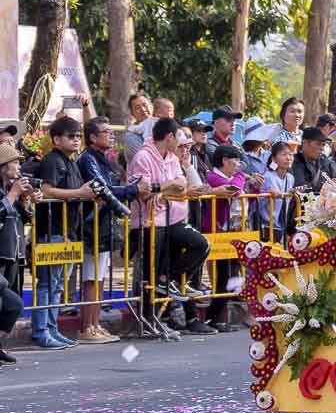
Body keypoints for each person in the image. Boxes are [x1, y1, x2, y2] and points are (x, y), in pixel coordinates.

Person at [127, 118, 215, 336]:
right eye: (179, 138)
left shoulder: (172, 159)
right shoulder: (143, 157)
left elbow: (182, 185)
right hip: (148, 223)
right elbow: (142, 190)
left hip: (172, 219)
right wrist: (167, 187)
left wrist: (162, 191)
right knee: (150, 274)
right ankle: (148, 321)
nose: (181, 144)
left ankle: (170, 280)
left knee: (200, 245)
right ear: (169, 137)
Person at [76, 117, 149, 343]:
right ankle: (87, 326)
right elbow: (103, 189)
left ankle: (96, 324)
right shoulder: (87, 159)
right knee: (90, 278)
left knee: (98, 278)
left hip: (105, 224)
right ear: (93, 137)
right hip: (91, 226)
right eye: (106, 132)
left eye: (111, 131)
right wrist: (131, 189)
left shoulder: (104, 159)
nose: (111, 135)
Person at [31, 116, 94, 348]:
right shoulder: (51, 161)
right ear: (56, 139)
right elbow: (46, 191)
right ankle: (41, 331)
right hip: (52, 231)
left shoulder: (72, 162)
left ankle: (52, 328)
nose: (76, 140)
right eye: (71, 136)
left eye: (78, 136)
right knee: (48, 283)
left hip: (70, 231)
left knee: (58, 285)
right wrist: (79, 192)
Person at [0, 142, 36, 363]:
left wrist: (27, 200)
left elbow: (24, 217)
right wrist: (13, 194)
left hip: (13, 254)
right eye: (15, 162)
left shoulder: (9, 190)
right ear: (3, 166)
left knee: (13, 304)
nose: (18, 166)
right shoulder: (7, 192)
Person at [204, 144, 246, 332]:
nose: (238, 164)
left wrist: (240, 178)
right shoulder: (212, 177)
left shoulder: (231, 176)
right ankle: (215, 318)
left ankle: (220, 317)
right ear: (224, 160)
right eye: (235, 160)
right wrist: (241, 178)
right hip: (217, 231)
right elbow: (234, 189)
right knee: (222, 276)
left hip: (234, 230)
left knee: (233, 274)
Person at [260, 141, 295, 242]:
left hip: (282, 225)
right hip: (267, 225)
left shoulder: (290, 178)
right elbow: (259, 201)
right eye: (283, 154)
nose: (288, 158)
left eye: (290, 154)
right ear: (274, 159)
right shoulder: (267, 176)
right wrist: (268, 192)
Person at [122, 93, 153, 163]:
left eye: (145, 105)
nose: (143, 109)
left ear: (151, 106)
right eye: (137, 108)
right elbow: (147, 161)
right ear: (132, 114)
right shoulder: (131, 137)